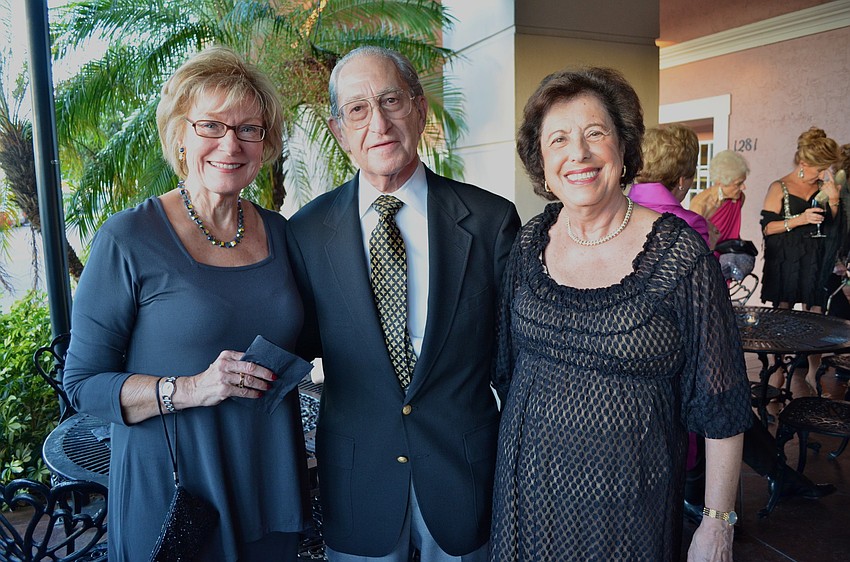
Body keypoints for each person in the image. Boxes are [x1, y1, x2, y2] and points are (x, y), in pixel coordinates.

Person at [490, 67, 752, 561]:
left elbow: (722, 403)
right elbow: (508, 371)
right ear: (541, 161)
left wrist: (718, 525)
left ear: (624, 146)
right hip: (527, 500)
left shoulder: (679, 255)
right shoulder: (527, 245)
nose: (579, 154)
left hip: (632, 511)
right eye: (559, 140)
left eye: (595, 134)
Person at [63, 46, 311, 561]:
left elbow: (315, 337)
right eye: (211, 126)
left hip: (269, 478)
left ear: (264, 146)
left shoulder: (285, 235)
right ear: (179, 136)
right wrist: (192, 388)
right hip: (176, 492)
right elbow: (83, 385)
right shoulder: (129, 238)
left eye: (249, 129)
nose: (231, 143)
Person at [286, 47, 520, 562]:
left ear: (419, 108)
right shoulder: (305, 233)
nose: (379, 122)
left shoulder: (490, 221)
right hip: (358, 482)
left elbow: (517, 361)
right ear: (338, 129)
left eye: (391, 99)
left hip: (464, 476)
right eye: (357, 109)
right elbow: (291, 343)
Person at [760, 127, 842, 389]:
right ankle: (777, 369)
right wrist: (800, 219)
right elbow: (768, 228)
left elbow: (834, 228)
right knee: (781, 311)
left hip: (814, 260)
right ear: (804, 164)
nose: (824, 174)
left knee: (816, 315)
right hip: (785, 261)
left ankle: (811, 372)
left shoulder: (824, 188)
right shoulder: (779, 187)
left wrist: (835, 200)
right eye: (820, 169)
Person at [628, 124, 713, 247]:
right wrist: (714, 247)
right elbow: (702, 265)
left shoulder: (614, 212)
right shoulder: (690, 223)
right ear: (681, 181)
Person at [689, 149, 749, 246]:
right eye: (738, 184)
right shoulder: (700, 205)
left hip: (730, 253)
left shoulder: (740, 198)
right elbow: (693, 242)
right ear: (721, 183)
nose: (744, 187)